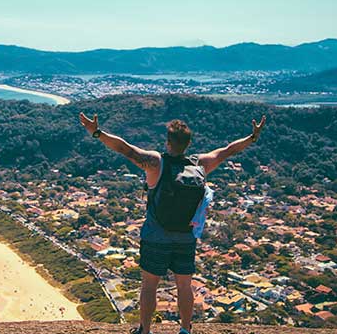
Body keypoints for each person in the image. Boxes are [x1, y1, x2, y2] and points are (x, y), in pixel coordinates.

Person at [79, 112, 266, 334]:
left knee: (149, 286)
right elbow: (228, 150)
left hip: (156, 234)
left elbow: (125, 148)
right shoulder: (200, 165)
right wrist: (252, 137)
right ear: (188, 144)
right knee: (184, 287)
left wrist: (97, 133)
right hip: (186, 236)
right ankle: (185, 330)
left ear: (168, 142)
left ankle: (145, 330)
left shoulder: (156, 163)